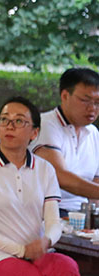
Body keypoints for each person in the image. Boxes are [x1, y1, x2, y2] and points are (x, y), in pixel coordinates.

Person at [0, 97, 79, 276]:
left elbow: (53, 222)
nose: (10, 126)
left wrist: (46, 241)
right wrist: (20, 250)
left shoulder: (45, 169)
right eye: (4, 120)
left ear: (34, 133)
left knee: (67, 266)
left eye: (19, 121)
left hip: (36, 253)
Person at [30, 67, 99, 215]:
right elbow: (59, 176)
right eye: (85, 100)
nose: (92, 108)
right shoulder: (45, 124)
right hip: (48, 211)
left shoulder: (93, 132)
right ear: (65, 96)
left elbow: (96, 178)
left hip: (82, 212)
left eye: (98, 102)